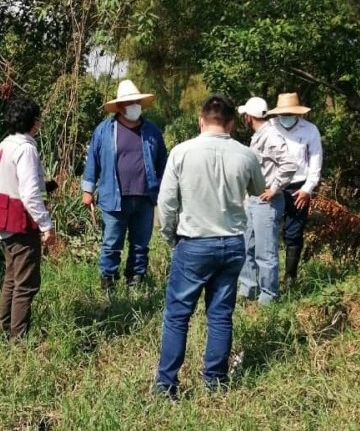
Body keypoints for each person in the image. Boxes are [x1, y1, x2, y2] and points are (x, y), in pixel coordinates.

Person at [153, 94, 265, 398]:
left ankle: (166, 386)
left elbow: (166, 203)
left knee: (178, 316)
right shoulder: (245, 154)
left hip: (194, 242)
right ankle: (215, 381)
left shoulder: (181, 152)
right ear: (230, 123)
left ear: (201, 120)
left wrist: (169, 237)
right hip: (231, 244)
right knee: (220, 314)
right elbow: (259, 189)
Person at [81, 79, 168, 292]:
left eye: (137, 101)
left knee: (141, 245)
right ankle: (108, 283)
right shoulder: (104, 131)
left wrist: (165, 191)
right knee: (111, 244)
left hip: (145, 198)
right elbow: (93, 160)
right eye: (130, 103)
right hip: (114, 198)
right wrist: (87, 190)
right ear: (119, 107)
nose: (134, 106)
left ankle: (135, 282)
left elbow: (163, 164)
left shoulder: (152, 132)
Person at [0, 97, 56, 339]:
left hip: (4, 221)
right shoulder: (27, 148)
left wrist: (44, 186)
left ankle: (2, 328)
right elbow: (28, 194)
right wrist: (46, 225)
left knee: (11, 278)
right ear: (32, 121)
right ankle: (19, 340)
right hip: (21, 224)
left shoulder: (5, 145)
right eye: (37, 118)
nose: (39, 123)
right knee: (26, 283)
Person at [236, 96, 297, 305]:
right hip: (254, 199)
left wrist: (275, 188)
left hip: (266, 201)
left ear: (248, 117)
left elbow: (289, 164)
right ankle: (249, 289)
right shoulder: (260, 135)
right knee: (247, 245)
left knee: (265, 250)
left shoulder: (270, 136)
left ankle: (268, 296)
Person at [267, 92, 323, 287]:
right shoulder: (269, 129)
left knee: (294, 233)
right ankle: (267, 279)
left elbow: (315, 161)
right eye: (284, 113)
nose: (287, 116)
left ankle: (290, 277)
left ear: (298, 113)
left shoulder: (310, 130)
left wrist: (308, 188)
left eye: (291, 112)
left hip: (299, 188)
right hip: (273, 188)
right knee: (269, 231)